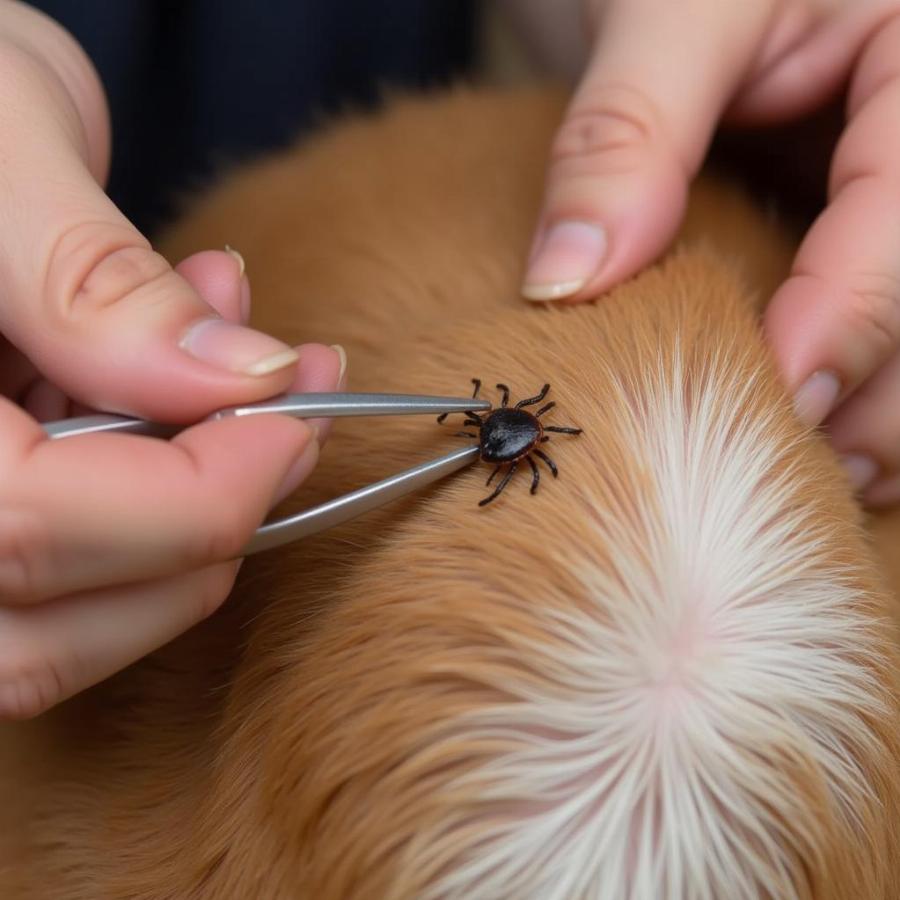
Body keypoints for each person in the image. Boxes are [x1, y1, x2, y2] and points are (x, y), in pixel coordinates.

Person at [1, 0, 898, 718]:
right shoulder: (514, 435)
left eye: (516, 433)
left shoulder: (495, 428)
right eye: (518, 431)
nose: (514, 436)